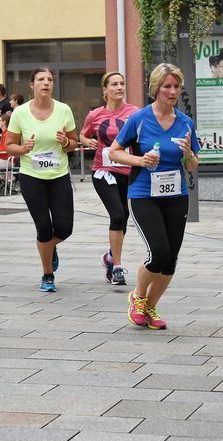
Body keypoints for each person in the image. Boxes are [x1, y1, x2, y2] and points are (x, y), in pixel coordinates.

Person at [108, 63, 199, 330]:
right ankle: (138, 296)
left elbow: (193, 165)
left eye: (176, 86)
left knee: (170, 260)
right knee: (158, 253)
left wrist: (188, 155)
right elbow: (114, 152)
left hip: (176, 195)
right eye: (167, 86)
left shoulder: (185, 123)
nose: (172, 91)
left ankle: (151, 306)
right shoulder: (139, 119)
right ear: (156, 89)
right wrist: (140, 160)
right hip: (143, 194)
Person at [5, 67, 78, 292]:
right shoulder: (20, 113)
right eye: (40, 79)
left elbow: (73, 143)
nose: (46, 83)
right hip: (31, 176)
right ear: (32, 85)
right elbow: (9, 146)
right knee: (44, 227)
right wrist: (23, 149)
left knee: (64, 228)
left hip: (58, 175)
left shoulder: (64, 110)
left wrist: (65, 142)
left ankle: (48, 247)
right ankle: (48, 275)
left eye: (49, 79)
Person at [80, 72, 140, 285]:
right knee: (117, 215)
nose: (119, 87)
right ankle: (117, 267)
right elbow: (83, 134)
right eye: (114, 84)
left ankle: (109, 256)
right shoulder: (95, 115)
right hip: (103, 171)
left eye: (122, 83)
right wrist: (87, 141)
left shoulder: (134, 113)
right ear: (105, 90)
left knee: (124, 217)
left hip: (128, 172)